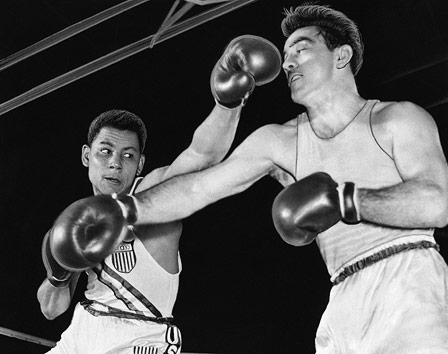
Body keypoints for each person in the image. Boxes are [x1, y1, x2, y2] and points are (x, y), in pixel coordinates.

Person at [48, 3, 448, 353]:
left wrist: (346, 200)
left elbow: (436, 204)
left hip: (412, 281)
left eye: (301, 50)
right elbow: (199, 185)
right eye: (285, 55)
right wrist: (126, 208)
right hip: (343, 298)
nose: (287, 62)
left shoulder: (397, 118)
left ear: (340, 56)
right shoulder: (278, 141)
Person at [37, 35, 281, 354]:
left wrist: (228, 104)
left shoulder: (151, 194)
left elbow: (202, 155)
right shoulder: (74, 222)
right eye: (105, 151)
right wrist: (58, 274)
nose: (114, 163)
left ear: (140, 165)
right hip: (80, 333)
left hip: (139, 339)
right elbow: (52, 310)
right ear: (86, 155)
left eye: (127, 156)